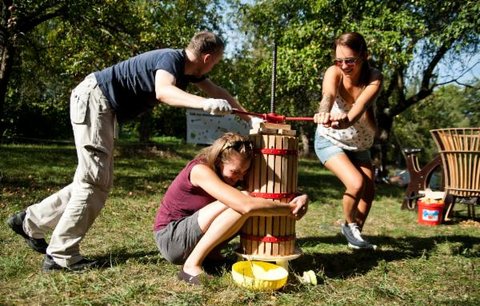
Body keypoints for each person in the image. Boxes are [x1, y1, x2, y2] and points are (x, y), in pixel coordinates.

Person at [6, 31, 254, 272]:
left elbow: (219, 92)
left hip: (101, 105)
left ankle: (30, 222)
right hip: (95, 99)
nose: (213, 69)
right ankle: (61, 256)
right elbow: (164, 91)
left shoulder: (189, 72)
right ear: (207, 59)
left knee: (92, 180)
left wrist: (251, 119)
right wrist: (204, 104)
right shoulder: (171, 59)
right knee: (94, 182)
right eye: (216, 63)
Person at [153, 132, 309, 285]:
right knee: (241, 203)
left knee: (249, 199)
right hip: (172, 239)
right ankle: (190, 266)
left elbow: (267, 192)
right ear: (219, 160)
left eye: (245, 172)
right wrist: (289, 209)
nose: (240, 177)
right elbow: (244, 205)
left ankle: (212, 257)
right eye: (235, 172)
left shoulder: (232, 174)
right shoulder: (200, 170)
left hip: (190, 236)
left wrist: (301, 197)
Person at [313, 32, 383, 250]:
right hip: (330, 138)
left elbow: (360, 107)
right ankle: (349, 225)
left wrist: (346, 121)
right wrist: (324, 113)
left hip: (359, 141)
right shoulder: (333, 72)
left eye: (350, 60)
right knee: (356, 183)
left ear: (364, 56)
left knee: (368, 191)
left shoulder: (374, 77)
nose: (343, 66)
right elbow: (328, 97)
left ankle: (355, 234)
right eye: (339, 60)